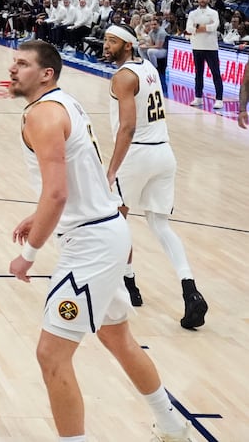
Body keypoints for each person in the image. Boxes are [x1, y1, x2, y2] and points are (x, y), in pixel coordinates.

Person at [7, 40, 193, 442]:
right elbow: (74, 181)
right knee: (117, 337)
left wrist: (28, 254)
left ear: (46, 74)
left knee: (51, 355)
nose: (12, 69)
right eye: (13, 62)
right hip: (105, 228)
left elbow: (57, 193)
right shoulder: (66, 103)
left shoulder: (42, 116)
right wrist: (38, 215)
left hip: (91, 243)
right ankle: (174, 425)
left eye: (22, 64)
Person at [102, 25, 207, 329]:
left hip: (137, 154)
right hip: (164, 153)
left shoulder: (123, 76)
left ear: (128, 45)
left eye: (113, 42)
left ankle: (129, 284)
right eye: (107, 40)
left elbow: (127, 127)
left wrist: (112, 169)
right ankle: (190, 290)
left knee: (116, 219)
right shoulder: (148, 66)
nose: (107, 45)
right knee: (160, 225)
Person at [184, 0, 224, 110]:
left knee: (215, 73)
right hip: (197, 46)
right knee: (198, 73)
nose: (202, 0)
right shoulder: (192, 14)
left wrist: (197, 27)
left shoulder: (213, 13)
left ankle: (219, 99)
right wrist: (203, 27)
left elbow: (213, 27)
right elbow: (188, 29)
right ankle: (198, 97)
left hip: (211, 47)